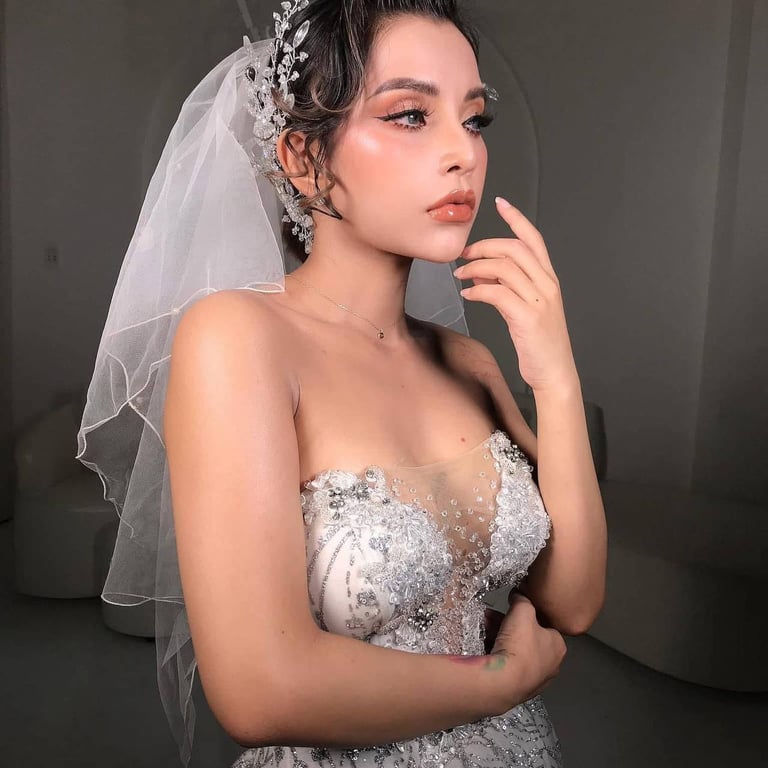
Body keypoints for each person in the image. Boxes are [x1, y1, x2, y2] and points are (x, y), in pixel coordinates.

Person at [76, 1, 607, 766]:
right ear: (303, 158)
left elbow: (574, 601)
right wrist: (495, 681)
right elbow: (259, 691)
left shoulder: (470, 364)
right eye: (410, 115)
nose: (463, 152)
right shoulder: (238, 340)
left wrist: (557, 379)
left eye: (474, 118)